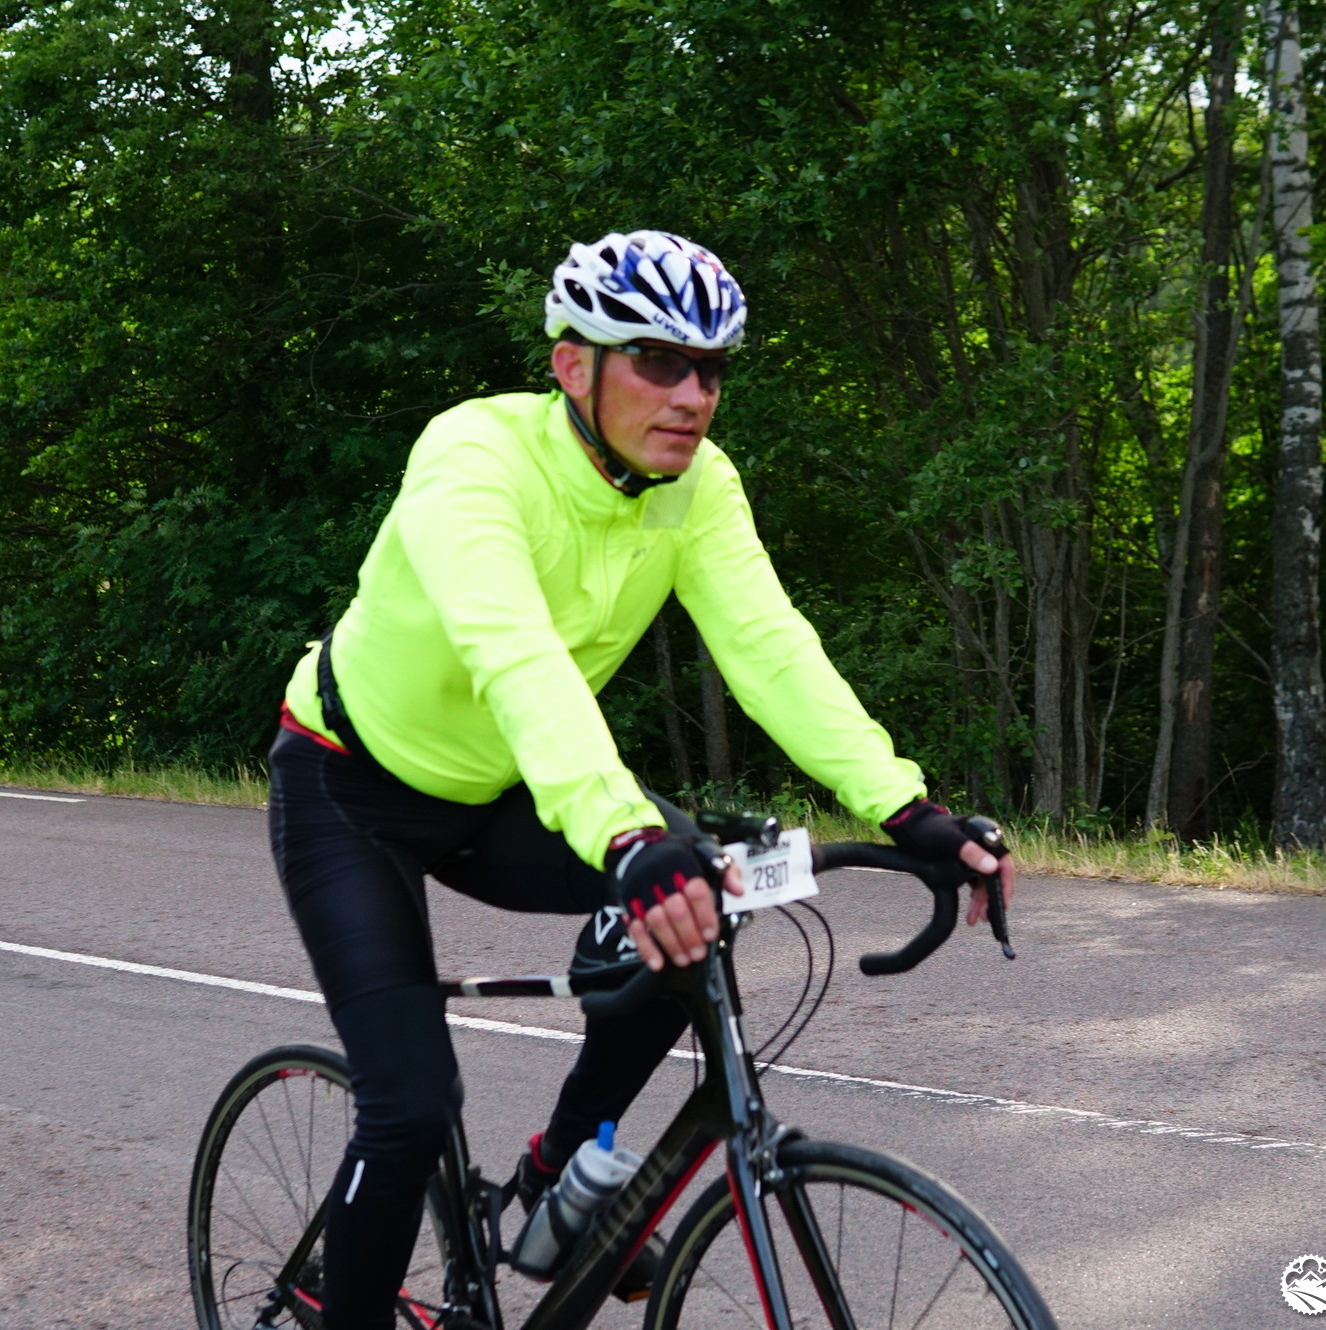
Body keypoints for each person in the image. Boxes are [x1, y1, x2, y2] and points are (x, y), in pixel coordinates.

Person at [266, 228, 1013, 1328]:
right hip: (352, 791)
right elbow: (515, 654)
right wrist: (626, 836)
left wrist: (906, 808)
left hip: (506, 791)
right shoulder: (472, 456)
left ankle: (557, 1174)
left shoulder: (697, 486)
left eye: (709, 370)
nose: (692, 396)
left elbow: (769, 647)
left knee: (693, 908)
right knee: (410, 1108)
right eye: (658, 362)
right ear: (573, 365)